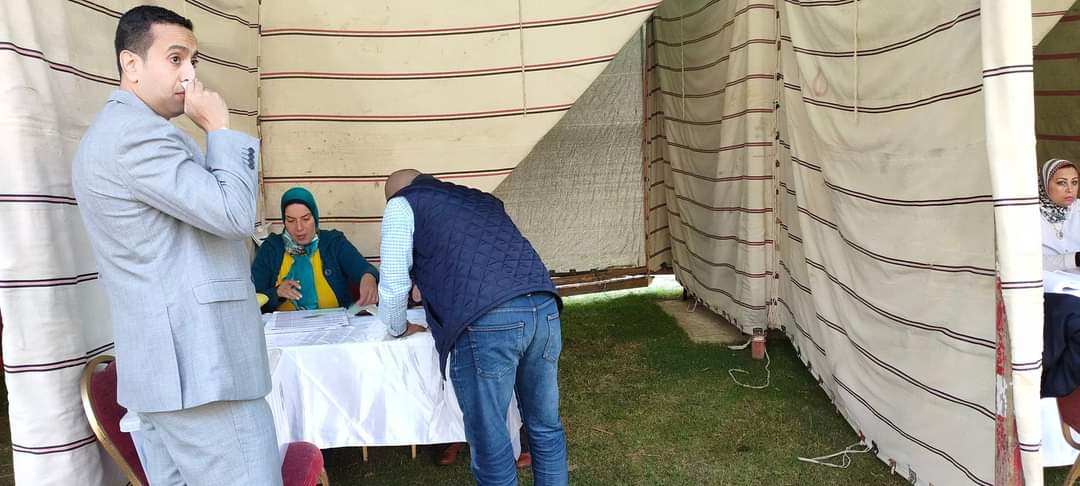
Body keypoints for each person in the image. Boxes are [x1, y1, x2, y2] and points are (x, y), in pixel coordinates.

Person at [71, 6, 281, 485]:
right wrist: (220, 130)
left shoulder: (119, 133)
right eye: (175, 58)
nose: (190, 75)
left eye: (193, 61)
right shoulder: (137, 136)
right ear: (131, 64)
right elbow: (234, 214)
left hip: (171, 371)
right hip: (200, 369)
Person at [377, 169, 568, 485]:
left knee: (491, 440)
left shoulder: (403, 202)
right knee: (545, 427)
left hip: (488, 319)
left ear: (396, 194)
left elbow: (394, 282)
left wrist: (397, 326)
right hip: (543, 304)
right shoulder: (480, 199)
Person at [252, 187, 379, 312]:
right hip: (284, 325)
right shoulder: (271, 248)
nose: (299, 228)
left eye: (306, 219)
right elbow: (253, 298)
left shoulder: (334, 243)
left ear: (315, 217)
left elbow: (363, 268)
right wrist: (276, 293)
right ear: (284, 222)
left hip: (335, 323)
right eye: (291, 220)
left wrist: (368, 277)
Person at [1041, 158, 1080, 272]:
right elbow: (1025, 262)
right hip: (1048, 280)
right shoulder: (1028, 214)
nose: (1070, 190)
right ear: (1044, 184)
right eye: (1061, 183)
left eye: (1074, 182)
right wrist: (1075, 259)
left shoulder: (1078, 208)